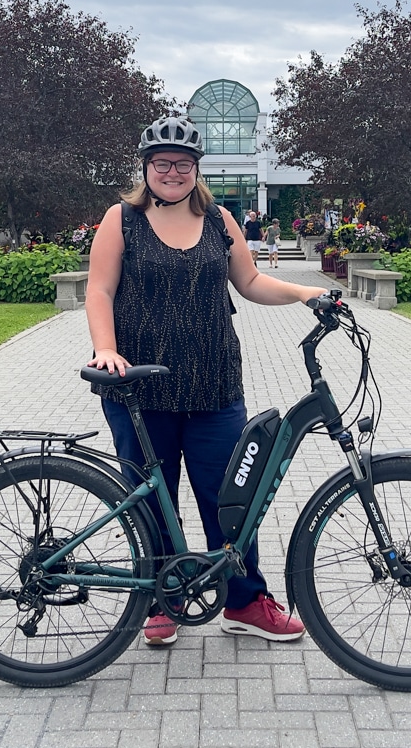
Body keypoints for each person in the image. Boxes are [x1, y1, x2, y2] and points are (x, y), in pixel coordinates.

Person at [85, 116, 327, 647]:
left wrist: (307, 295)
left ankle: (243, 602)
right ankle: (160, 600)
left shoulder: (219, 220)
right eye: (162, 163)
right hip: (140, 386)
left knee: (232, 497)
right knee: (152, 500)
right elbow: (99, 290)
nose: (173, 172)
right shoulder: (121, 219)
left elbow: (252, 281)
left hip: (215, 383)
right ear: (146, 168)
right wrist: (105, 348)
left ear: (197, 171)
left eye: (184, 164)